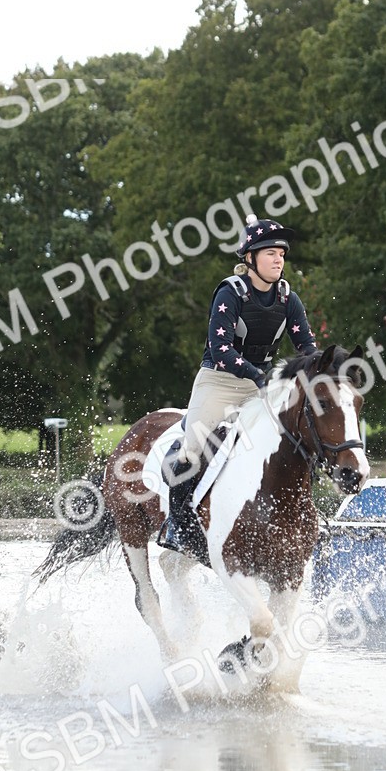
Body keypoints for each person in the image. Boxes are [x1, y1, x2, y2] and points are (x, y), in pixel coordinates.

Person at [158, 213, 318, 555]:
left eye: (282, 254)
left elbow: (306, 347)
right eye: (271, 253)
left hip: (260, 387)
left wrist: (325, 369)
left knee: (297, 438)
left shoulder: (288, 299)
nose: (279, 260)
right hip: (219, 382)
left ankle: (303, 516)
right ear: (250, 258)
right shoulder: (230, 293)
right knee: (191, 449)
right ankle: (178, 525)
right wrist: (258, 375)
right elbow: (221, 349)